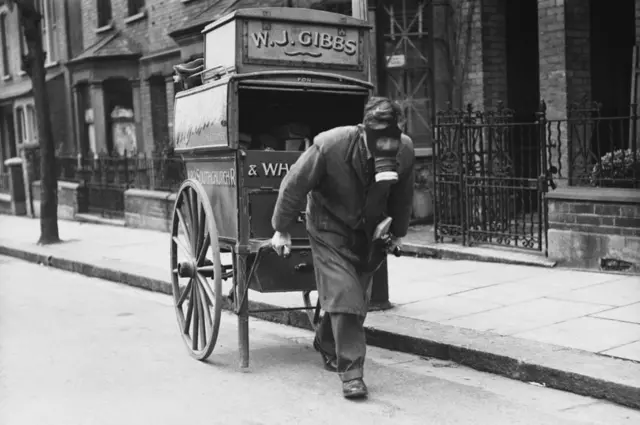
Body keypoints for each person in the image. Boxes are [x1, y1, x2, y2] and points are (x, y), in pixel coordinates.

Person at [269, 97, 415, 399]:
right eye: (380, 138)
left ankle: (326, 341)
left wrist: (398, 231)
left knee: (356, 300)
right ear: (363, 131)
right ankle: (351, 373)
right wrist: (281, 228)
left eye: (393, 137)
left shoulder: (405, 149)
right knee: (345, 292)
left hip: (367, 231)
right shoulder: (330, 145)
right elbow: (294, 184)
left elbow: (402, 194)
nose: (387, 144)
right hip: (327, 228)